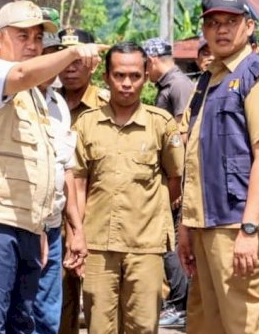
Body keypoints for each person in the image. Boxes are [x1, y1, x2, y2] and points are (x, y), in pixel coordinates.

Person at [0, 0, 107, 333]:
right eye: (23, 35)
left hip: (26, 225)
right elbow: (20, 73)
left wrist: (40, 225)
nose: (33, 45)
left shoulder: (36, 97)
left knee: (23, 323)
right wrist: (72, 54)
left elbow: (48, 165)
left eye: (38, 37)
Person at [177, 0, 259, 334]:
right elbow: (194, 158)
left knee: (244, 324)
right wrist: (186, 226)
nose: (222, 30)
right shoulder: (208, 80)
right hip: (204, 223)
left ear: (249, 26)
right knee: (205, 323)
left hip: (235, 223)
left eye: (231, 21)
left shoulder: (258, 77)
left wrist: (248, 229)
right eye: (213, 23)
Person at [73, 42, 185, 333]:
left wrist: (148, 215)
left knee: (143, 326)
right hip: (98, 244)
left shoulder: (160, 124)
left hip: (145, 246)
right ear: (106, 78)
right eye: (119, 75)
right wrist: (78, 235)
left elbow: (175, 180)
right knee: (99, 325)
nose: (126, 84)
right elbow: (78, 182)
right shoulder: (87, 124)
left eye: (135, 76)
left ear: (147, 75)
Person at [55, 27, 110, 334]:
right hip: (54, 223)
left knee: (99, 307)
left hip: (99, 224)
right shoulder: (45, 104)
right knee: (59, 308)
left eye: (79, 57)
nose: (71, 65)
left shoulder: (109, 104)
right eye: (65, 57)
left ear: (94, 62)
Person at [33, 33, 88, 334]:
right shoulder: (12, 98)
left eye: (57, 53)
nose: (54, 61)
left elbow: (66, 170)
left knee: (47, 316)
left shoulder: (58, 104)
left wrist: (76, 229)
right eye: (46, 53)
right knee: (17, 312)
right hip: (21, 226)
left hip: (53, 227)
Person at [141, 37, 194, 327]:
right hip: (166, 178)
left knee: (171, 241)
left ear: (151, 61)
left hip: (177, 180)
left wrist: (177, 182)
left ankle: (180, 303)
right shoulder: (168, 86)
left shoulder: (178, 86)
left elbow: (182, 136)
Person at [143, 37, 195, 123]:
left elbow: (183, 127)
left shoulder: (178, 84)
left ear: (150, 60)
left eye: (144, 64)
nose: (144, 70)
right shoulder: (167, 84)